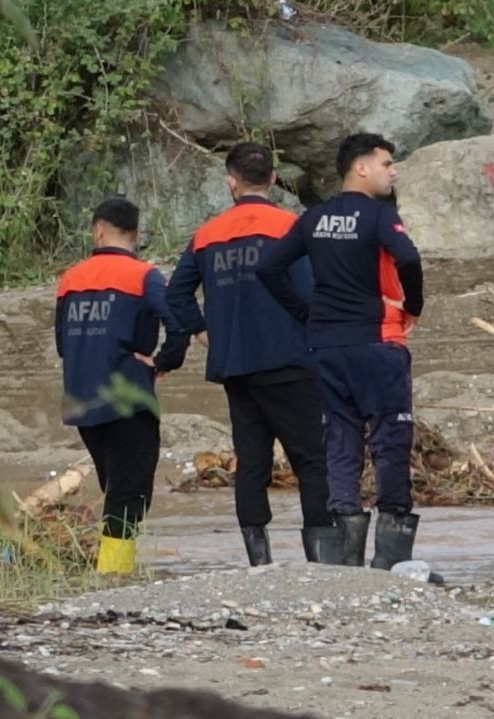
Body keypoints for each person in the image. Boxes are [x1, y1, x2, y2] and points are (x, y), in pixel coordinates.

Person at [255, 133, 428, 573]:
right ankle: (390, 559)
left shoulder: (313, 218)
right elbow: (408, 258)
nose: (393, 171)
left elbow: (269, 267)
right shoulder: (379, 215)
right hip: (377, 341)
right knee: (390, 440)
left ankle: (346, 561)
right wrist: (414, 305)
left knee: (342, 442)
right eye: (387, 163)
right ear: (361, 167)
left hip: (327, 346)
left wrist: (304, 312)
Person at [166, 142, 337, 566]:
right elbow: (319, 290)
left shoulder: (208, 234)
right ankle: (322, 561)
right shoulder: (293, 227)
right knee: (313, 460)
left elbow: (176, 294)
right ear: (274, 180)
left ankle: (258, 563)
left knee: (252, 463)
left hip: (237, 368)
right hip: (292, 361)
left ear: (231, 182)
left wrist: (203, 332)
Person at [55, 197, 189, 575]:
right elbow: (178, 323)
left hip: (82, 400)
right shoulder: (144, 275)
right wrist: (164, 361)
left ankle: (112, 567)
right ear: (136, 233)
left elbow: (63, 344)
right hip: (128, 397)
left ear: (98, 229)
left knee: (115, 487)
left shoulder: (70, 279)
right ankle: (113, 575)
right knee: (129, 494)